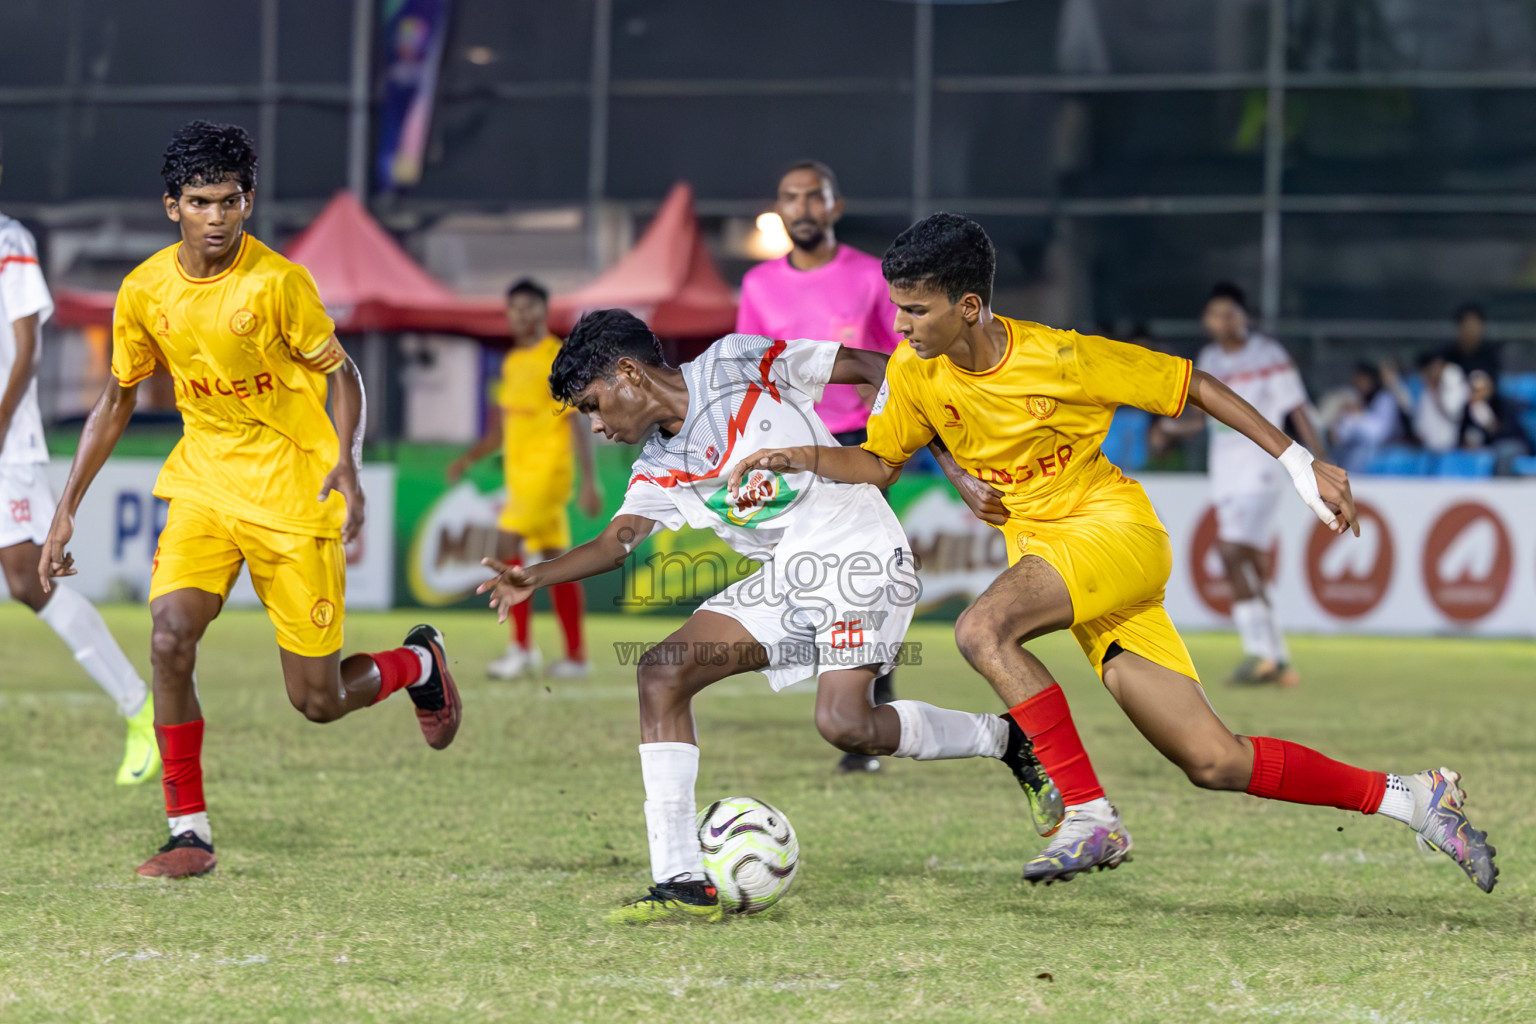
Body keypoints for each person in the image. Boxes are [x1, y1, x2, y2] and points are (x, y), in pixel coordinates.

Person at [729, 213, 1497, 893]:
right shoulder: (914, 370)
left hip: (1113, 533)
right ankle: (1412, 797)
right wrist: (796, 458)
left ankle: (1088, 813)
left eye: (916, 310)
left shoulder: (1061, 358)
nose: (900, 325)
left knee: (980, 630)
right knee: (1213, 760)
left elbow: (1190, 383)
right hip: (1062, 559)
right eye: (898, 307)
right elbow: (882, 460)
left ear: (969, 306)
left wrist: (1299, 463)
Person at [480, 308, 1062, 923]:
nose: (594, 425)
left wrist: (954, 468)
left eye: (593, 405)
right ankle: (680, 878)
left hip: (857, 553)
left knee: (845, 725)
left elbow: (874, 367)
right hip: (787, 577)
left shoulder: (738, 361)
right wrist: (534, 576)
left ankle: (1006, 739)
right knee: (661, 672)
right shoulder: (656, 464)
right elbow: (617, 540)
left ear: (629, 373)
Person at [38, 121, 461, 879]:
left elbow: (345, 375)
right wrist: (68, 505)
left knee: (319, 701)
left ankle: (416, 664)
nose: (217, 218)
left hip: (295, 492)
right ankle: (187, 830)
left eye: (230, 202)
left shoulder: (279, 283)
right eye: (200, 202)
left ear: (248, 202)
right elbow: (115, 399)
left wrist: (349, 467)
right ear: (172, 206)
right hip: (204, 482)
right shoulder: (143, 291)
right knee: (169, 636)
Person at [736, 160, 904, 774]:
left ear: (835, 206)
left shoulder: (869, 276)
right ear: (779, 209)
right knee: (809, 572)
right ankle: (853, 698)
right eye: (791, 197)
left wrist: (886, 396)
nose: (803, 207)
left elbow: (901, 352)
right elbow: (746, 370)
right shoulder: (757, 286)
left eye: (814, 197)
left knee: (860, 568)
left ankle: (868, 704)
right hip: (786, 448)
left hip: (859, 441)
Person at [0, 169, 158, 786]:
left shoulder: (8, 238)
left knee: (26, 578)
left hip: (7, 444)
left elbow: (27, 345)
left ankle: (138, 707)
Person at [1151, 282, 1327, 688]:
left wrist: (1316, 461)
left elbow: (1297, 408)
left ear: (1244, 316)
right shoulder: (1211, 358)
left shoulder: (1268, 355)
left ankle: (1258, 652)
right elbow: (1203, 417)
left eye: (1231, 313)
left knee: (1230, 553)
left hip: (1263, 467)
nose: (1223, 321)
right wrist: (1170, 430)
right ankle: (1278, 659)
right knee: (1251, 564)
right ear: (1206, 320)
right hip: (1225, 471)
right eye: (1216, 314)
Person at [447, 278, 600, 680]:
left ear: (543, 311)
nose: (520, 315)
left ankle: (519, 648)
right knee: (554, 560)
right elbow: (499, 432)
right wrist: (468, 459)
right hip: (521, 479)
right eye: (514, 308)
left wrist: (590, 481)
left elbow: (579, 424)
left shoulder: (557, 358)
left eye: (528, 307)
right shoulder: (512, 363)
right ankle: (576, 656)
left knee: (507, 545)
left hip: (548, 475)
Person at [1325, 362, 1403, 473]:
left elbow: (1379, 435)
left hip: (1386, 452)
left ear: (1372, 380)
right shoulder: (1358, 399)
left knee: (1359, 456)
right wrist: (1339, 421)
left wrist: (1359, 415)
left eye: (1362, 380)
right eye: (1357, 381)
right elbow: (1341, 435)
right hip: (1359, 451)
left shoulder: (1385, 399)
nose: (1359, 384)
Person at [1460, 369, 1533, 474]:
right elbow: (1464, 432)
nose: (1479, 394)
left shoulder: (1502, 403)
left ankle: (1501, 484)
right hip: (1487, 446)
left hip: (1514, 442)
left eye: (1482, 389)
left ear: (1490, 388)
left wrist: (1490, 424)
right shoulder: (1468, 408)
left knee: (1502, 452)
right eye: (1475, 390)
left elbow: (1509, 431)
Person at [1440, 303, 1501, 384]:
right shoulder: (1445, 356)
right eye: (1466, 324)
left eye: (1474, 324)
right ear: (1458, 327)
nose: (1470, 329)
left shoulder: (1492, 355)